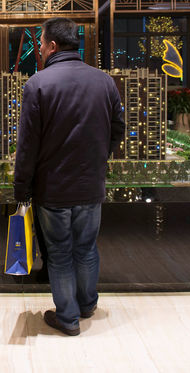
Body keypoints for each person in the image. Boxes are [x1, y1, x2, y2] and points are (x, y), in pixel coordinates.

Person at [14, 17, 124, 337]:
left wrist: (21, 186)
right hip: (91, 183)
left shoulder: (38, 84)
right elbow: (118, 128)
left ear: (52, 46)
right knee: (86, 247)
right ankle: (87, 304)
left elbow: (28, 144)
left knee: (60, 252)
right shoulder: (104, 81)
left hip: (53, 187)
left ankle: (68, 318)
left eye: (40, 43)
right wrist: (99, 157)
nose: (38, 49)